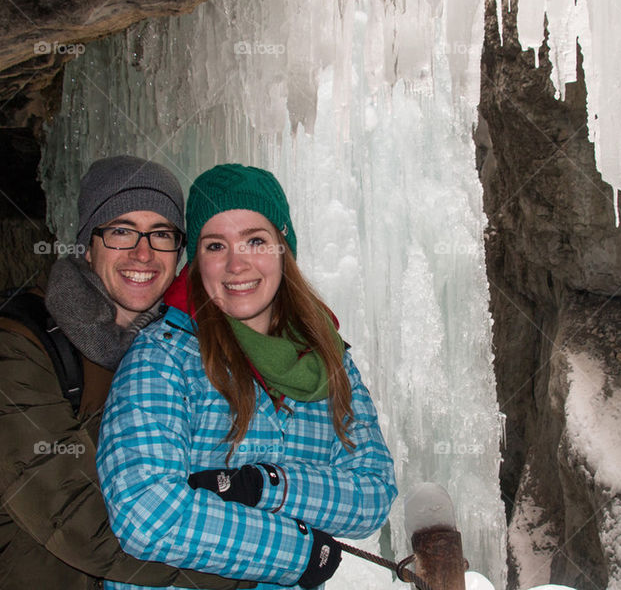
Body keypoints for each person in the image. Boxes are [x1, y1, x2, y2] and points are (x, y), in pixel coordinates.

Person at [96, 164, 397, 590]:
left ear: (283, 247)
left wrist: (264, 485)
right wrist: (297, 553)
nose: (236, 264)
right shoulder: (164, 357)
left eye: (255, 240)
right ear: (197, 262)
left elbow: (373, 495)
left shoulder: (329, 358)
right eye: (216, 245)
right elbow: (146, 513)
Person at [0, 156, 254, 589]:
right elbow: (78, 518)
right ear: (86, 245)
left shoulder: (175, 353)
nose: (143, 252)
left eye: (161, 234)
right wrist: (253, 562)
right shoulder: (10, 348)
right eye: (120, 231)